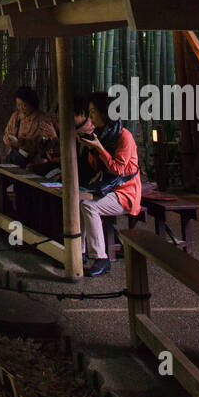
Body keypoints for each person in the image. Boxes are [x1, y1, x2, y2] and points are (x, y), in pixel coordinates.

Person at [78, 90, 141, 276]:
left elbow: (118, 169)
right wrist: (91, 149)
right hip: (108, 188)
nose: (90, 117)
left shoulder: (124, 136)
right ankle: (79, 252)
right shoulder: (100, 134)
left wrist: (99, 148)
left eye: (93, 112)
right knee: (76, 201)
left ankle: (101, 258)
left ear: (105, 112)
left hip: (125, 192)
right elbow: (97, 167)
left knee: (89, 207)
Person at [1, 85, 56, 168]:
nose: (21, 108)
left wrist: (24, 143)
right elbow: (6, 135)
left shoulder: (43, 119)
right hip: (15, 159)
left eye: (24, 105)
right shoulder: (16, 117)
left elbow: (46, 145)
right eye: (18, 105)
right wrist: (10, 141)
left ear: (32, 104)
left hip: (34, 163)